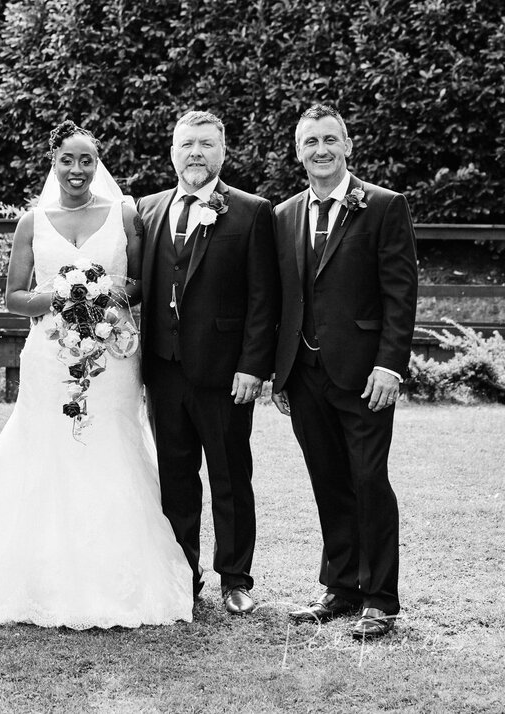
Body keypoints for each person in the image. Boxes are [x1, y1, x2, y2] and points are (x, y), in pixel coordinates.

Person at [0, 121, 194, 628]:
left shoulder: (123, 214)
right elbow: (15, 297)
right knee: (45, 450)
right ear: (53, 162)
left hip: (110, 354)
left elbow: (137, 285)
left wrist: (101, 295)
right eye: (67, 160)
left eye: (86, 160)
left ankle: (114, 568)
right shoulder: (31, 222)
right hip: (50, 355)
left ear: (97, 164)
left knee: (110, 444)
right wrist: (60, 296)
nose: (76, 170)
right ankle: (38, 569)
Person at [272, 104, 417, 639]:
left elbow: (400, 295)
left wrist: (389, 365)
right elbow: (280, 297)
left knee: (368, 479)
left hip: (364, 374)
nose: (321, 150)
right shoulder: (283, 214)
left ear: (349, 145)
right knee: (327, 480)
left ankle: (379, 599)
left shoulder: (383, 206)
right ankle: (340, 587)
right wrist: (277, 371)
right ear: (298, 151)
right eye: (310, 142)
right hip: (303, 373)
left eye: (331, 139)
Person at [137, 110, 279, 614]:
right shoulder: (146, 210)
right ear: (172, 152)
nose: (195, 152)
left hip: (225, 372)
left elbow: (264, 299)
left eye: (206, 144)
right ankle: (182, 574)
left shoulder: (251, 211)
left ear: (223, 151)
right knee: (175, 476)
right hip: (163, 367)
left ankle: (236, 578)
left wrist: (253, 366)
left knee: (229, 475)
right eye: (186, 144)